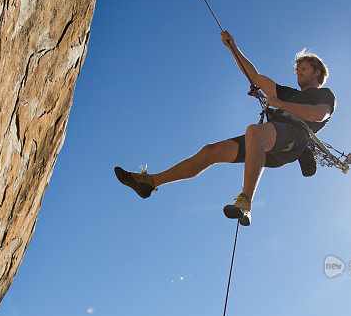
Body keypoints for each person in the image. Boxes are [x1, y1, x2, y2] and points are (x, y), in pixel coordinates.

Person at [114, 31, 336, 226]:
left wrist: (281, 105)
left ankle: (245, 202)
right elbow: (255, 77)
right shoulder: (287, 92)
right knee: (210, 151)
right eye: (297, 70)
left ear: (318, 73)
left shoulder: (324, 95)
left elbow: (319, 114)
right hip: (268, 143)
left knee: (255, 131)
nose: (298, 73)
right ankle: (150, 182)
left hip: (292, 139)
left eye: (304, 69)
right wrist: (233, 47)